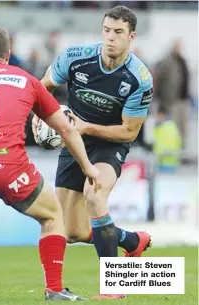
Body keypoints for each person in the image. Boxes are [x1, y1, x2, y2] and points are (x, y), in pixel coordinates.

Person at [32, 6, 153, 299]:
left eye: (118, 33)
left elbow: (129, 132)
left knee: (95, 195)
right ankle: (132, 240)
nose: (111, 38)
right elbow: (42, 87)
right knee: (72, 230)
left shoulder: (139, 78)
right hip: (74, 140)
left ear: (131, 36)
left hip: (111, 144)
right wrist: (38, 115)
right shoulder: (75, 58)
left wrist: (85, 127)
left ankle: (114, 287)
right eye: (107, 31)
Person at [0, 27, 101, 301]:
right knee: (53, 216)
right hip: (8, 164)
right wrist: (88, 167)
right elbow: (66, 129)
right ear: (8, 53)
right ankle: (54, 289)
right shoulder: (28, 80)